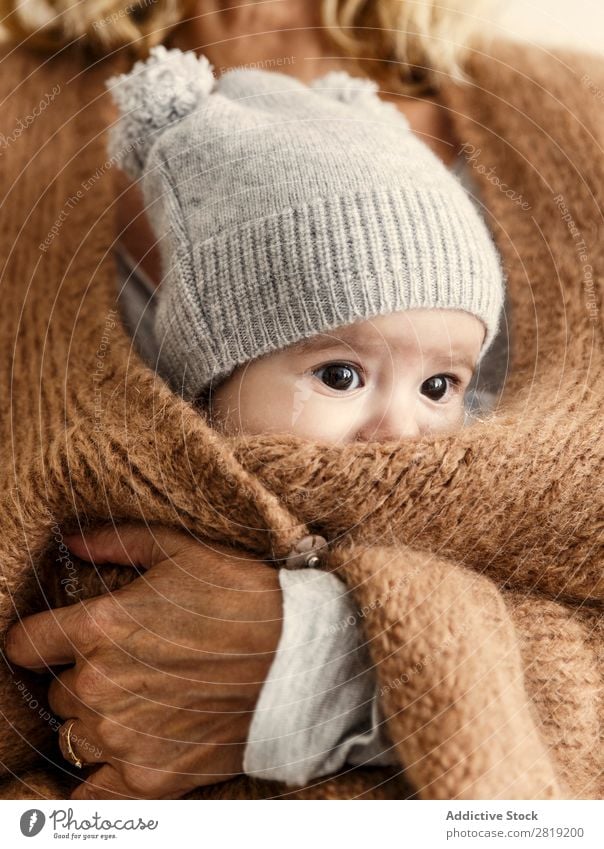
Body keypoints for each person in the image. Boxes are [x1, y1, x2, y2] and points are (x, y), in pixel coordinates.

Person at [6, 0, 598, 801]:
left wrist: (336, 667)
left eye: (439, 385)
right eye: (342, 375)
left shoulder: (582, 114)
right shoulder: (18, 126)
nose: (397, 431)